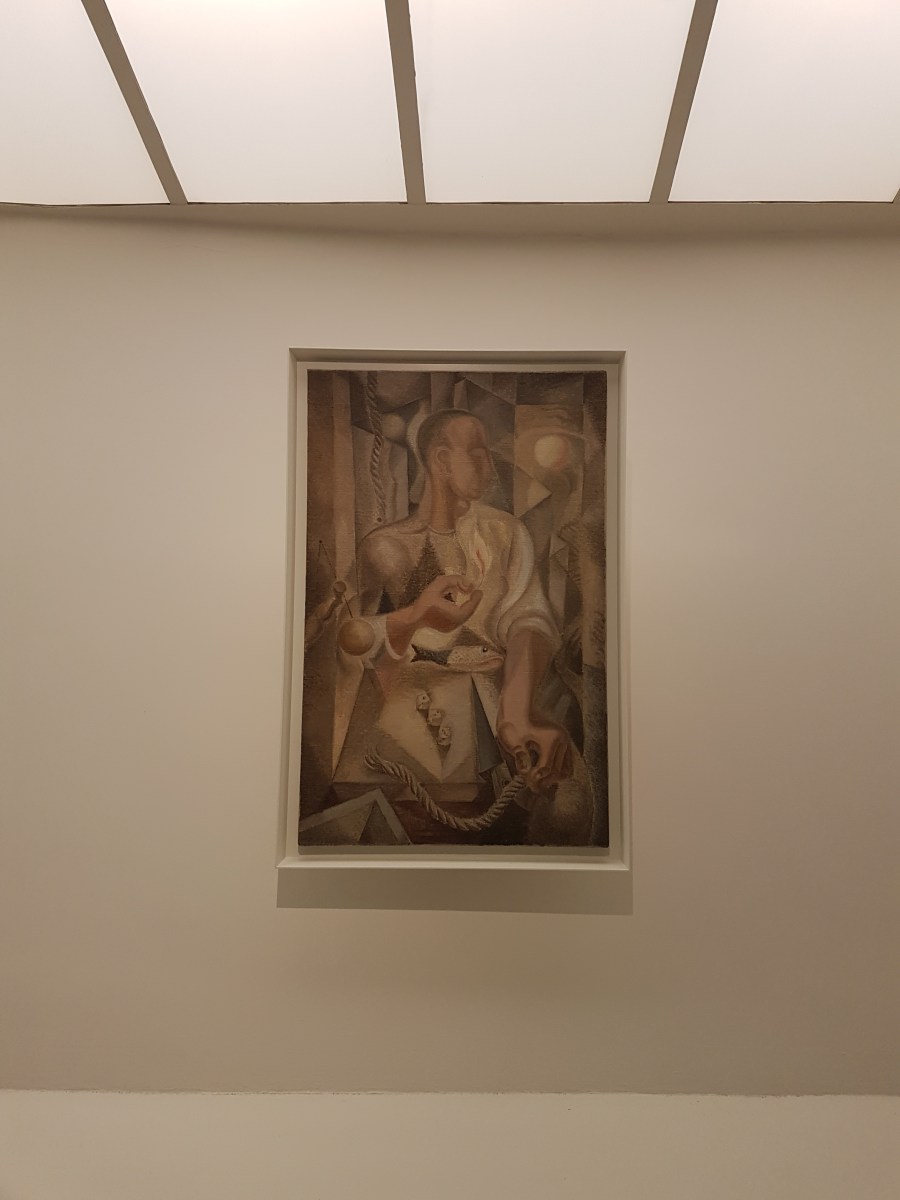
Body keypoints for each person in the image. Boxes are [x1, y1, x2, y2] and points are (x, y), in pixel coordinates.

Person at [355, 409, 573, 792]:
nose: (489, 464)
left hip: (499, 709)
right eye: (476, 452)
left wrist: (515, 710)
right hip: (415, 721)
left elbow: (529, 618)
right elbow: (350, 646)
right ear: (441, 462)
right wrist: (415, 617)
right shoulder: (383, 548)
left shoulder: (506, 531)